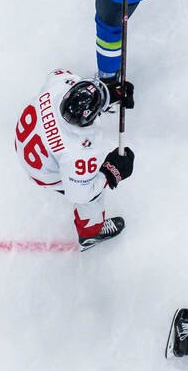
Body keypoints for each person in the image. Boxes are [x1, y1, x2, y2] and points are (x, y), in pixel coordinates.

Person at [14, 68, 135, 249]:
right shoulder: (77, 150)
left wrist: (107, 93)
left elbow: (73, 87)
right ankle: (89, 235)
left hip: (26, 144)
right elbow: (80, 195)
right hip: (45, 174)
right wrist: (110, 173)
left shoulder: (58, 85)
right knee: (93, 196)